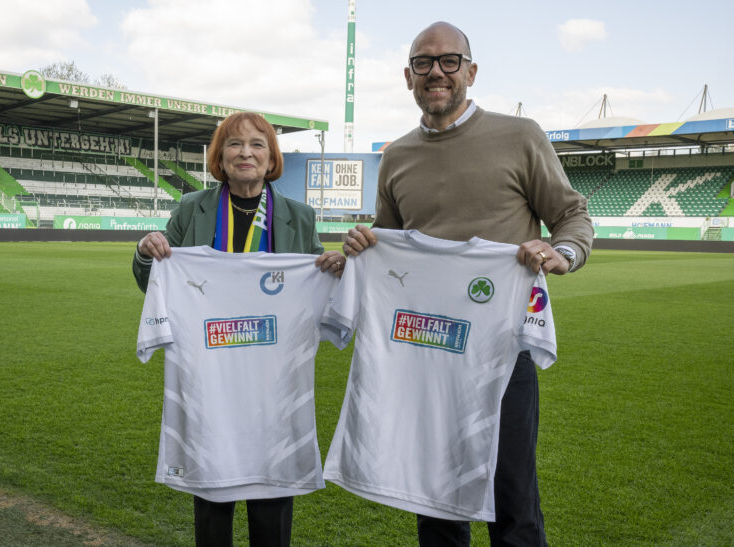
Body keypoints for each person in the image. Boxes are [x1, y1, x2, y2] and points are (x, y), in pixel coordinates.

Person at [342, 22, 593, 547]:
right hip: (423, 350)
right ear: (408, 77)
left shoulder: (520, 136)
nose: (436, 72)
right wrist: (362, 247)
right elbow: (389, 241)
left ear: (471, 72)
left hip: (501, 349)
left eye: (449, 61)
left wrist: (561, 252)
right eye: (423, 63)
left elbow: (572, 216)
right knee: (433, 500)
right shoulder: (397, 155)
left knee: (513, 501)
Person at [132, 111, 345, 547]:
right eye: (234, 144)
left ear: (271, 159)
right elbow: (154, 281)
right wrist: (144, 251)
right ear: (220, 157)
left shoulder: (299, 217)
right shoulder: (193, 209)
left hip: (275, 378)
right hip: (210, 375)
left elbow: (318, 291)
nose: (245, 152)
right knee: (212, 487)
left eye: (256, 144)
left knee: (274, 483)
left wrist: (334, 270)